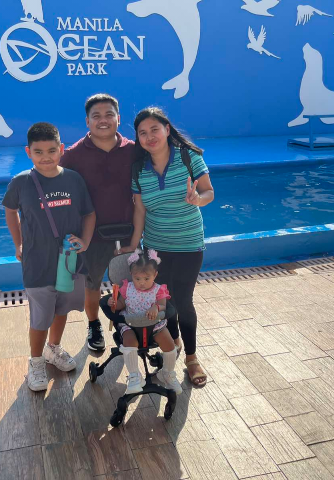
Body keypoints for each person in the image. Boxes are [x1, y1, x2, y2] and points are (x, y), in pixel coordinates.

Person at [121, 107, 214, 387]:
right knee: (164, 299)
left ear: (167, 130)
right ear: (138, 138)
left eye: (155, 129)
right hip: (156, 248)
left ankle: (192, 358)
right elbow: (140, 210)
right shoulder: (138, 168)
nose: (150, 136)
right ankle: (173, 344)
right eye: (143, 133)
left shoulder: (189, 157)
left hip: (188, 244)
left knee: (183, 300)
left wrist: (198, 200)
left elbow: (208, 191)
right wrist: (134, 245)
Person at [2, 122, 96, 392]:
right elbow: (10, 211)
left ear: (61, 149)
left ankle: (53, 348)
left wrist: (85, 241)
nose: (46, 157)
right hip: (37, 262)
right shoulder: (21, 182)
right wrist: (18, 243)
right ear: (28, 152)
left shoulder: (74, 180)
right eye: (38, 151)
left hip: (69, 261)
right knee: (40, 315)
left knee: (62, 308)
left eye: (52, 150)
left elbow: (89, 213)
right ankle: (35, 361)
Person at [60, 93, 134, 352]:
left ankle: (124, 324)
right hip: (92, 235)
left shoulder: (133, 151)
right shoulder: (73, 155)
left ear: (118, 118)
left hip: (127, 233)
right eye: (97, 116)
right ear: (87, 121)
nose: (103, 120)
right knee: (91, 284)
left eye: (109, 115)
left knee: (126, 283)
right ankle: (94, 324)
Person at [108, 249, 182, 395]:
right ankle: (135, 376)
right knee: (129, 341)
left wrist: (156, 307)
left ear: (155, 275)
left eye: (146, 279)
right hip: (130, 323)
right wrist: (114, 303)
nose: (142, 283)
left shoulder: (159, 290)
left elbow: (163, 305)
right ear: (131, 275)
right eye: (137, 279)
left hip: (154, 325)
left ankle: (166, 373)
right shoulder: (127, 287)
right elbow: (121, 304)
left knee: (169, 344)